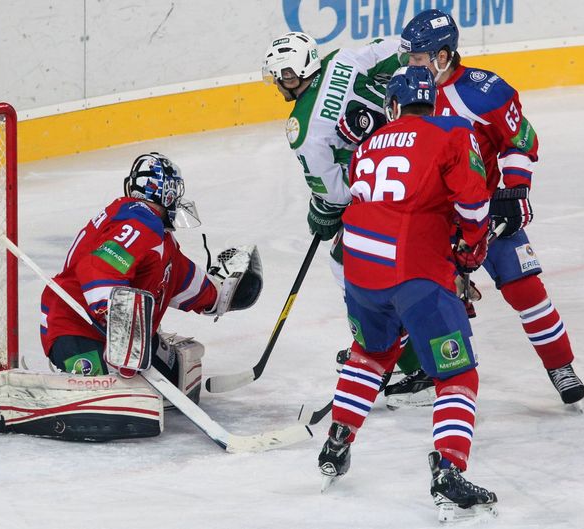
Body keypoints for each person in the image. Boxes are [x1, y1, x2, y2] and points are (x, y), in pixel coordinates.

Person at [381, 9, 584, 407]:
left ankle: (560, 366)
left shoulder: (484, 91)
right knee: (423, 302)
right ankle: (425, 371)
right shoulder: (404, 92)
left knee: (527, 290)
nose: (411, 66)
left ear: (443, 57)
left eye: (419, 58)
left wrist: (517, 193)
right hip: (435, 222)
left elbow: (520, 139)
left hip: (487, 209)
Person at [318, 66, 497, 520]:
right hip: (415, 274)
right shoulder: (454, 131)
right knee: (457, 375)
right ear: (431, 103)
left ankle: (337, 442)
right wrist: (471, 251)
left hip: (358, 269)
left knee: (370, 353)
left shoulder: (367, 145)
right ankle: (448, 471)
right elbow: (474, 203)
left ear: (393, 106)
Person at [262, 32, 425, 381]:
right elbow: (398, 50)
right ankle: (395, 344)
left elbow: (336, 195)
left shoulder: (303, 129)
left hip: (383, 191)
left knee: (348, 264)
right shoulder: (341, 59)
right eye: (280, 75)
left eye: (285, 75)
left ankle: (402, 359)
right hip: (419, 154)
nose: (281, 83)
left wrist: (321, 209)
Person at [40, 152, 262, 404]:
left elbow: (184, 282)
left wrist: (225, 291)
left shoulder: (161, 240)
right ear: (165, 193)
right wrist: (121, 323)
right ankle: (78, 370)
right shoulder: (138, 223)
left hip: (119, 338)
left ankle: (123, 364)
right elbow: (99, 271)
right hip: (76, 329)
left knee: (176, 376)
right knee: (109, 403)